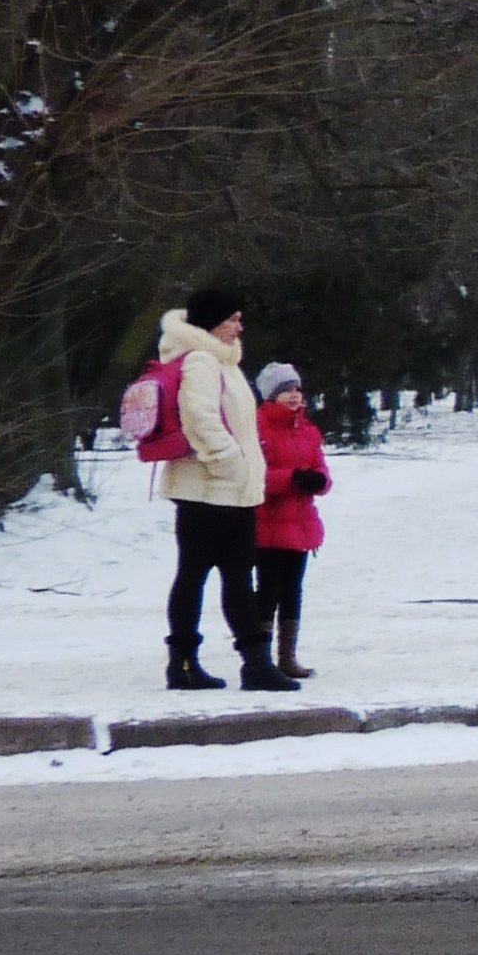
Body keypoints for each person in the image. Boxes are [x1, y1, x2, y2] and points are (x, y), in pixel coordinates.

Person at [153, 291, 288, 692]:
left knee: (239, 579)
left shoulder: (225, 362)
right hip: (205, 491)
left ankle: (256, 663)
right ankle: (183, 663)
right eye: (232, 318)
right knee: (193, 576)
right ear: (212, 323)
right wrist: (230, 463)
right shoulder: (200, 361)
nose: (239, 325)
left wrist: (243, 474)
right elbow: (200, 419)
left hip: (234, 493)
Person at [250, 363, 333, 681]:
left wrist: (317, 481)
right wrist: (291, 479)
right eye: (286, 390)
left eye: (297, 389)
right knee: (267, 592)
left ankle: (287, 657)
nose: (294, 396)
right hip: (268, 525)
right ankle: (260, 658)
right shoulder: (257, 428)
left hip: (300, 526)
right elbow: (254, 477)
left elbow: (323, 474)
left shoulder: (308, 430)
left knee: (292, 592)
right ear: (271, 395)